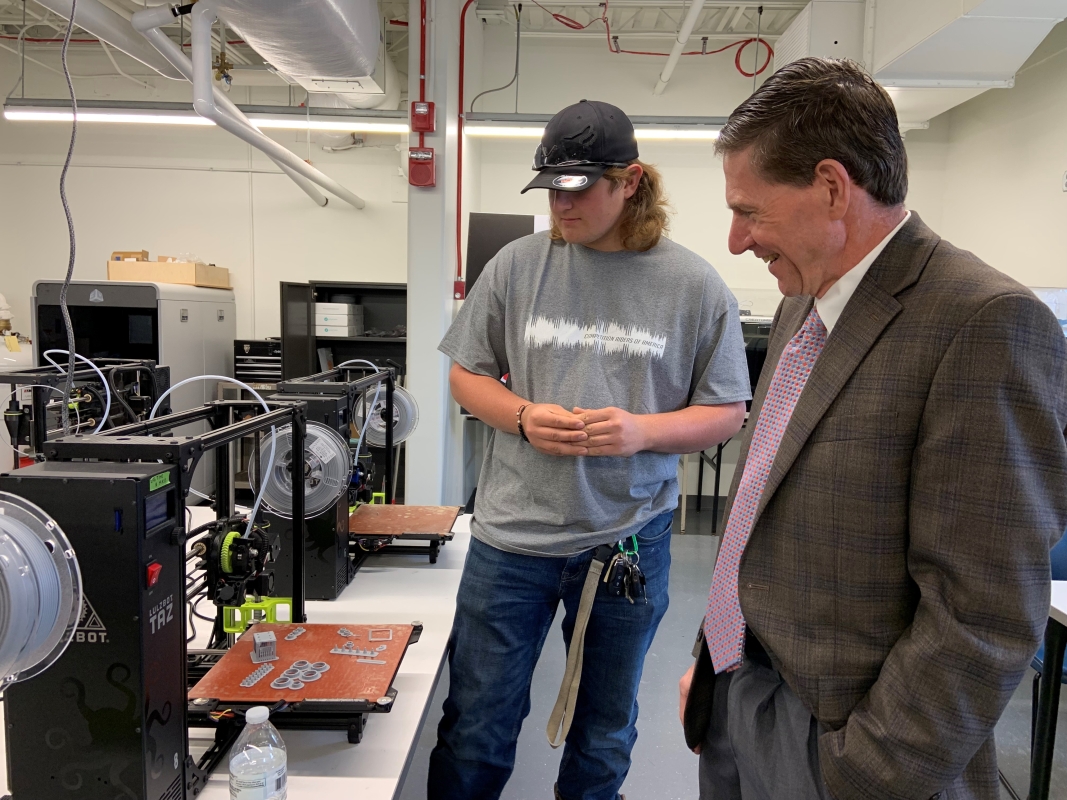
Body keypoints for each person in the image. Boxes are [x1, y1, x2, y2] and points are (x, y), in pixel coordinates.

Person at [678, 57, 1067, 800]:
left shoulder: (984, 322)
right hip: (738, 694)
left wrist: (861, 774)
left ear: (831, 187)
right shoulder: (803, 300)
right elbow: (759, 500)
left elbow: (984, 611)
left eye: (749, 211)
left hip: (845, 742)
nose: (734, 240)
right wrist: (715, 659)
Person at [430, 99, 751, 800]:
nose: (561, 206)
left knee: (603, 733)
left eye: (577, 190)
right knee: (477, 726)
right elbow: (464, 375)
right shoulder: (517, 267)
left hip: (626, 541)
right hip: (511, 542)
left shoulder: (695, 287)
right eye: (551, 190)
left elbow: (727, 410)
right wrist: (520, 416)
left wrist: (644, 432)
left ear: (629, 181)